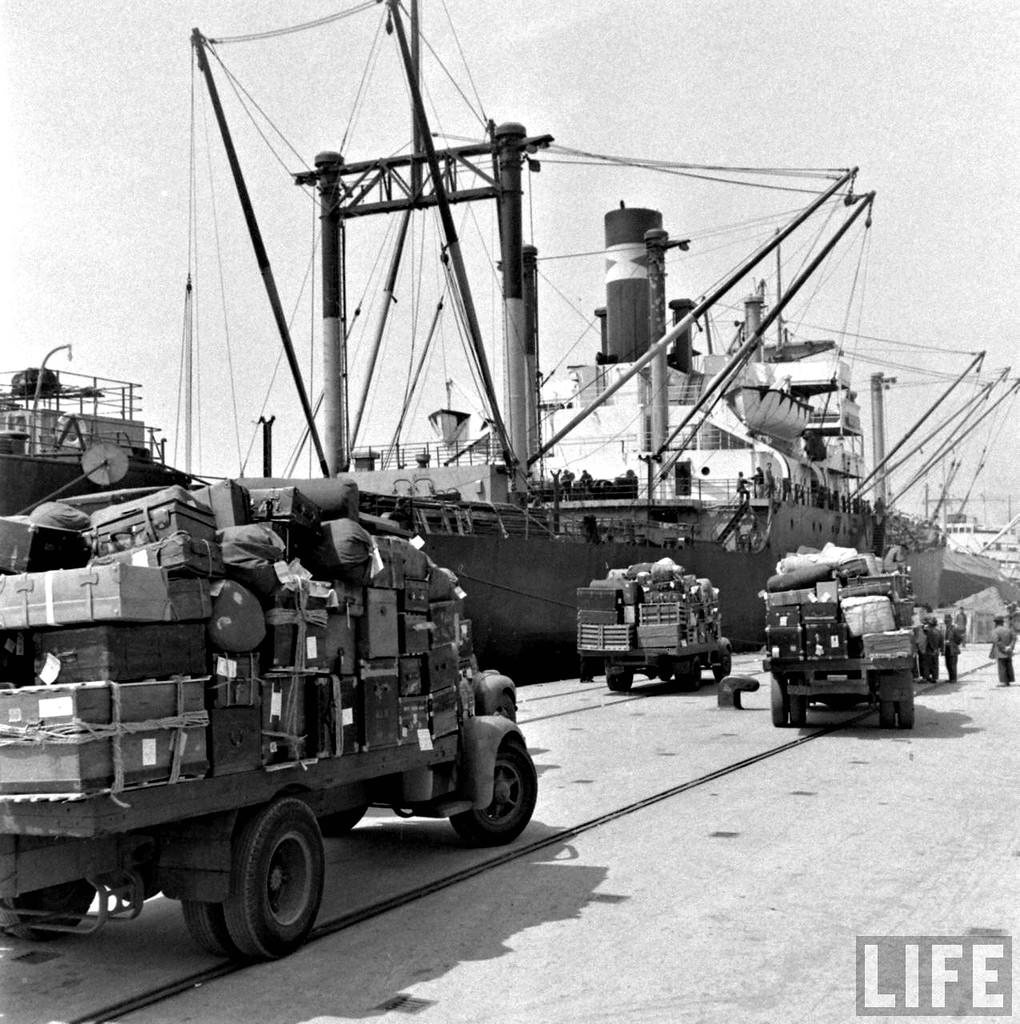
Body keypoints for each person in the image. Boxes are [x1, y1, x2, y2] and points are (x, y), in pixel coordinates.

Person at [991, 615, 1016, 685]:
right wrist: (1010, 647)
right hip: (1009, 651)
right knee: (1009, 665)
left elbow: (997, 641)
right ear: (1002, 622)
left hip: (1000, 651)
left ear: (996, 623)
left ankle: (1003, 682)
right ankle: (1008, 681)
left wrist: (1004, 648)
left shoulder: (995, 631)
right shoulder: (1008, 629)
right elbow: (1014, 638)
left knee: (1001, 666)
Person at [919, 613, 943, 683]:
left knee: (926, 664)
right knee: (935, 665)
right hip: (935, 651)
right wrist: (941, 650)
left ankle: (926, 677)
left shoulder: (928, 631)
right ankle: (934, 678)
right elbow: (941, 642)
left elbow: (925, 638)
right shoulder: (938, 632)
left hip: (928, 651)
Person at [942, 612, 963, 682]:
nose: (946, 622)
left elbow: (959, 638)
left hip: (953, 649)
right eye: (945, 621)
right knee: (948, 664)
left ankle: (954, 679)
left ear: (950, 621)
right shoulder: (945, 629)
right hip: (947, 649)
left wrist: (953, 643)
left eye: (947, 621)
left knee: (952, 665)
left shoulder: (954, 629)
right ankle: (950, 678)